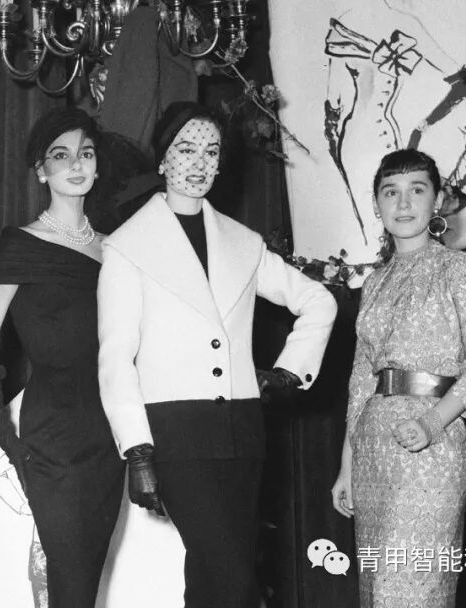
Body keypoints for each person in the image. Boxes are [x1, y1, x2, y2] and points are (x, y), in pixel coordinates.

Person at [96, 101, 338, 607]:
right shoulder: (126, 247)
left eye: (211, 151)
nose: (199, 162)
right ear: (163, 159)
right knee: (229, 576)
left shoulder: (242, 242)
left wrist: (288, 374)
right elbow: (115, 360)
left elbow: (319, 301)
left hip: (243, 431)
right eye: (186, 149)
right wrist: (137, 451)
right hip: (175, 435)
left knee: (218, 576)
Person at [331, 149, 466, 607]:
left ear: (437, 200)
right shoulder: (374, 283)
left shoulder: (459, 269)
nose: (403, 204)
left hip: (433, 446)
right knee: (377, 592)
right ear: (377, 204)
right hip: (374, 450)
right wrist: (347, 464)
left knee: (414, 590)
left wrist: (431, 423)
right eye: (391, 192)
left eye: (417, 190)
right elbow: (361, 381)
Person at [0, 108, 125, 607]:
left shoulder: (117, 249)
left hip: (109, 433)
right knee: (69, 578)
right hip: (51, 436)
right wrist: (3, 432)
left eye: (86, 154)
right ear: (41, 170)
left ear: (97, 166)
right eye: (61, 155)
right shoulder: (19, 246)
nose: (76, 165)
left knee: (86, 579)